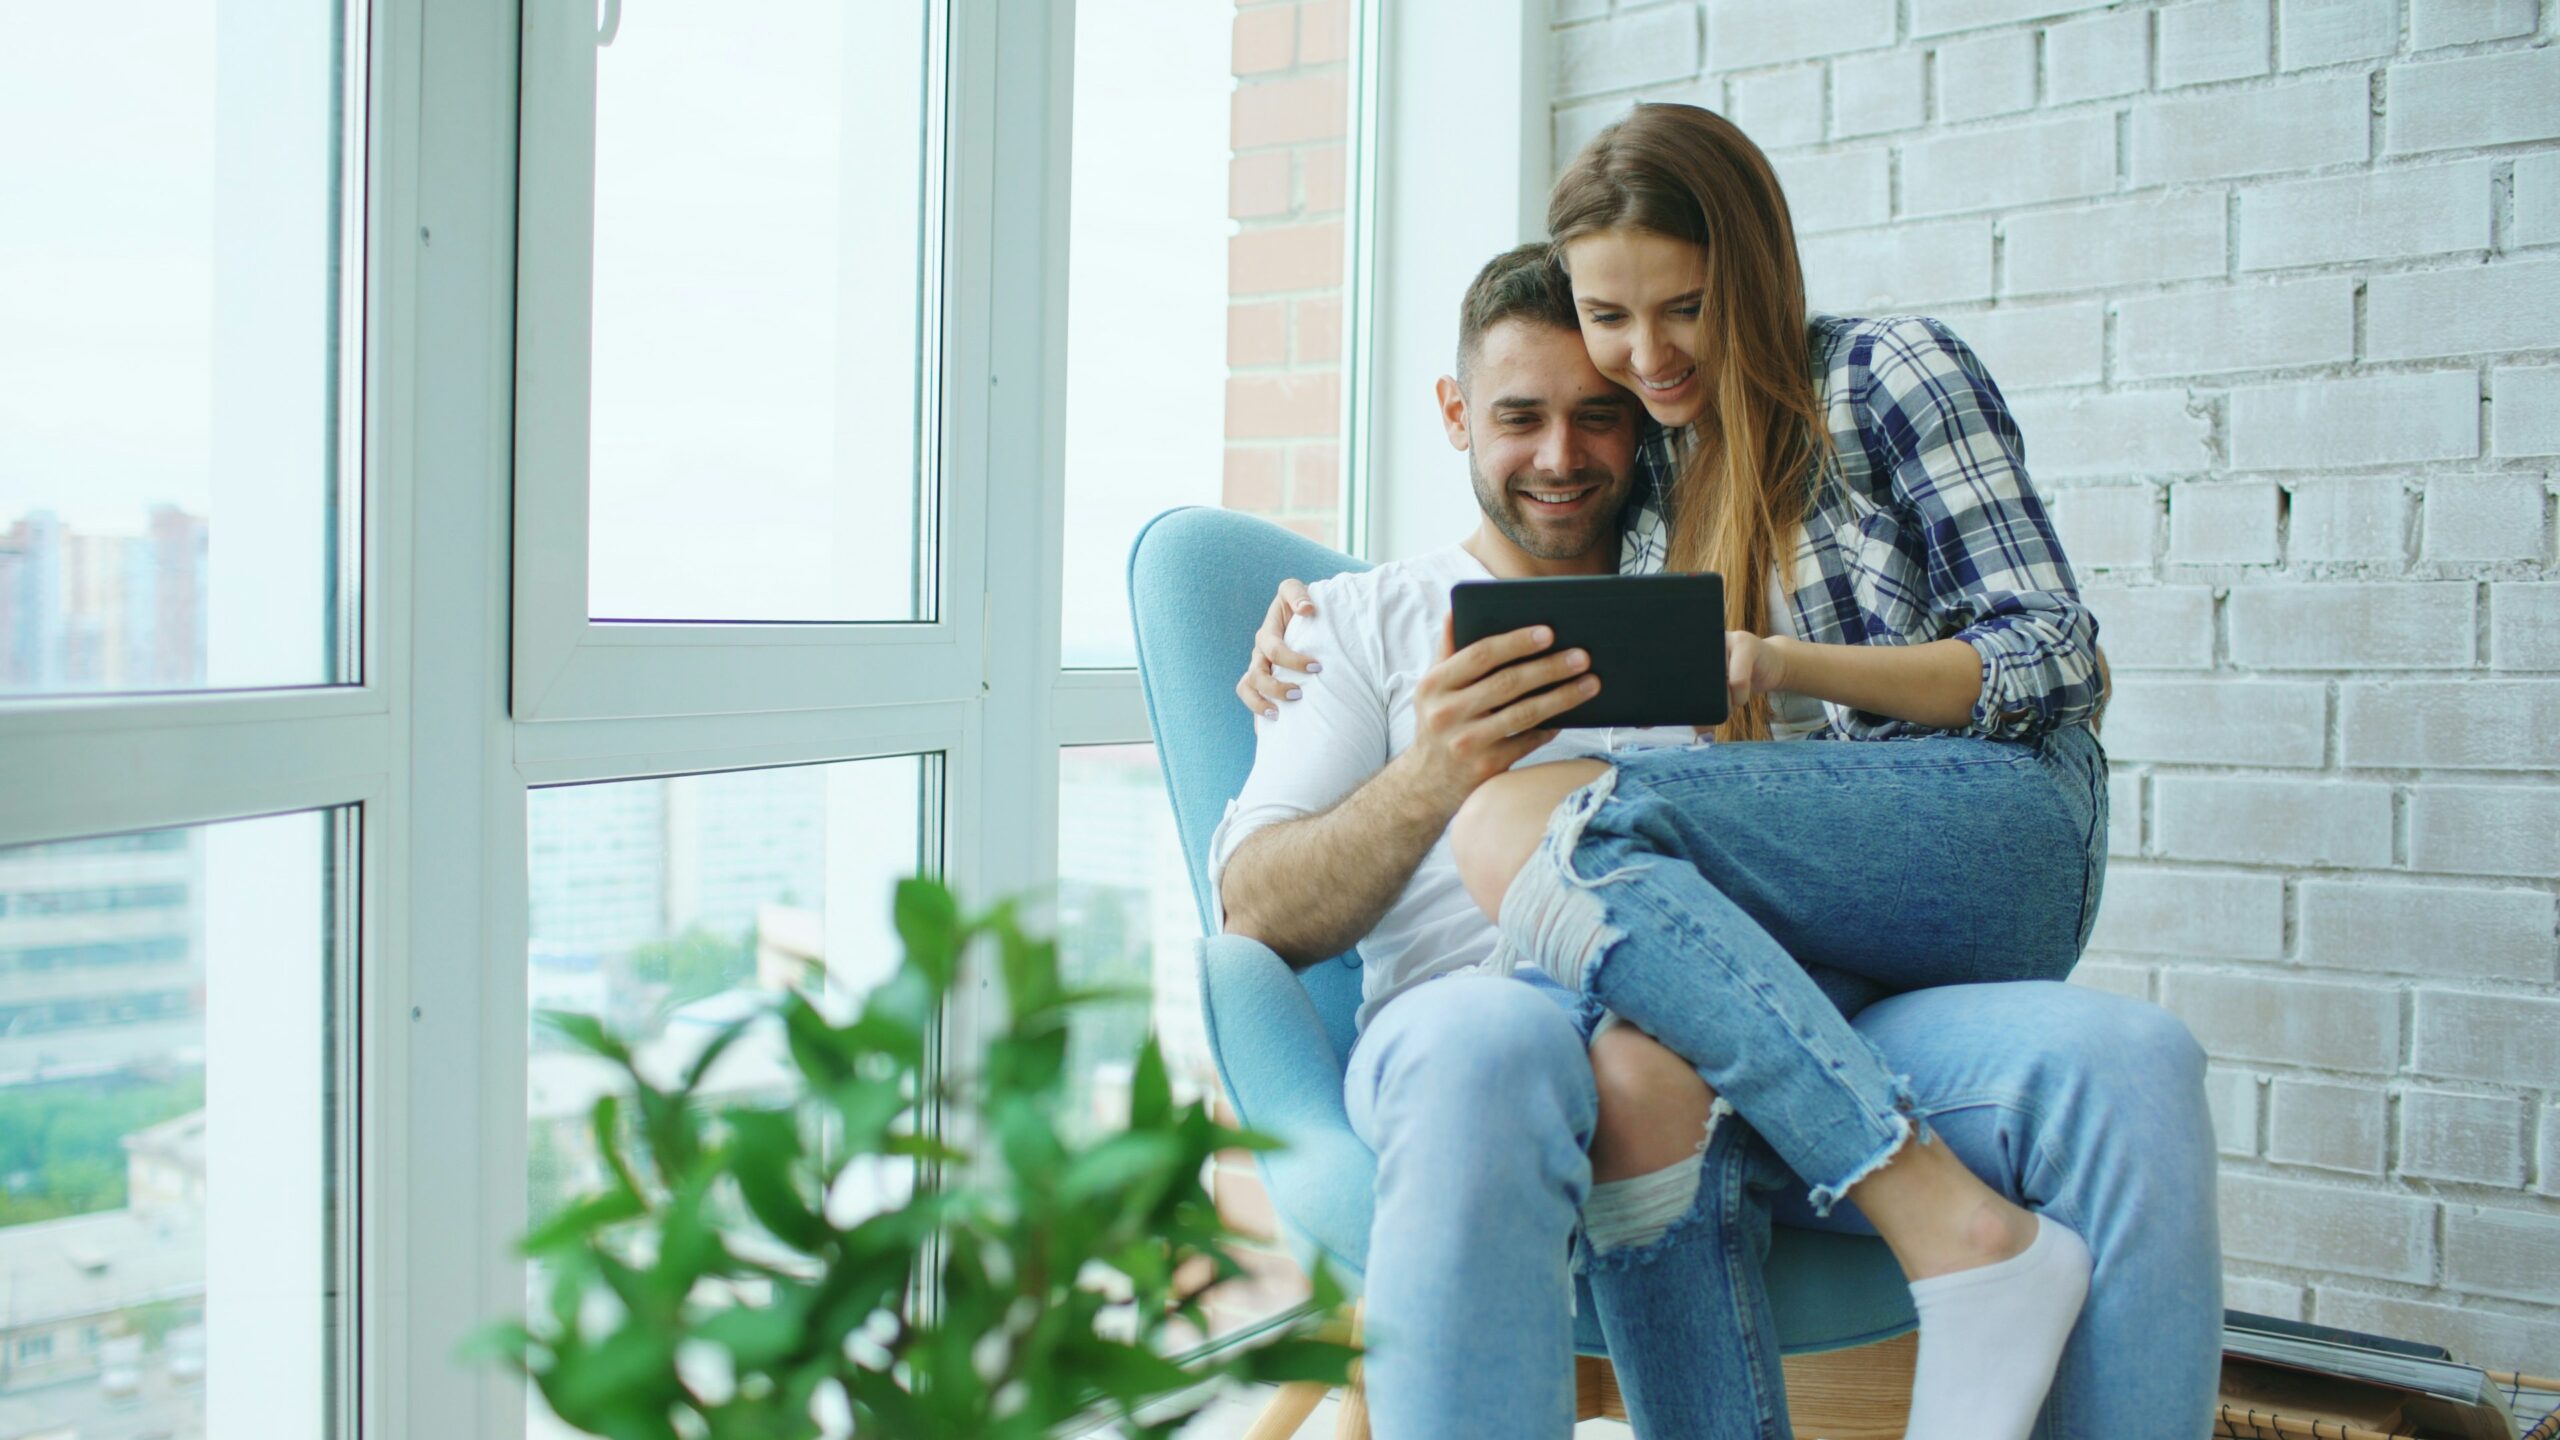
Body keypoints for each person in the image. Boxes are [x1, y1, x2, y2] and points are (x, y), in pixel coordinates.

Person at [1216, 243, 2220, 1439]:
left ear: (1649, 419)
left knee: (2132, 1062)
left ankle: (1964, 1248)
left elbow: (2018, 679)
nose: (1558, 456)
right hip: (1497, 1020)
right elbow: (1256, 908)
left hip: (1773, 1032)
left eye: (1600, 417)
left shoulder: (1735, 592)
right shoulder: (1357, 620)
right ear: (1453, 414)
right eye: (1518, 415)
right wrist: (1433, 772)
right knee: (1490, 1042)